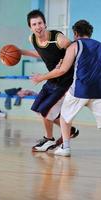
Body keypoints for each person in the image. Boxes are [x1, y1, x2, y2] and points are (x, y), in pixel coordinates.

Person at [32, 19, 101, 156]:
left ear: (75, 33)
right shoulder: (99, 45)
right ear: (90, 33)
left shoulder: (74, 46)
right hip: (98, 91)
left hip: (79, 90)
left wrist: (41, 77)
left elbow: (62, 70)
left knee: (64, 117)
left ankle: (66, 147)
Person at [20, 10, 79, 152]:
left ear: (45, 24)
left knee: (46, 110)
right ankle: (68, 131)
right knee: (39, 108)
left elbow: (76, 50)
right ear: (30, 27)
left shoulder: (59, 39)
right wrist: (21, 52)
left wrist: (64, 62)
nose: (38, 26)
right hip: (52, 78)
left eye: (40, 23)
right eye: (34, 24)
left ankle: (49, 139)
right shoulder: (32, 39)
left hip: (66, 80)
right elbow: (41, 53)